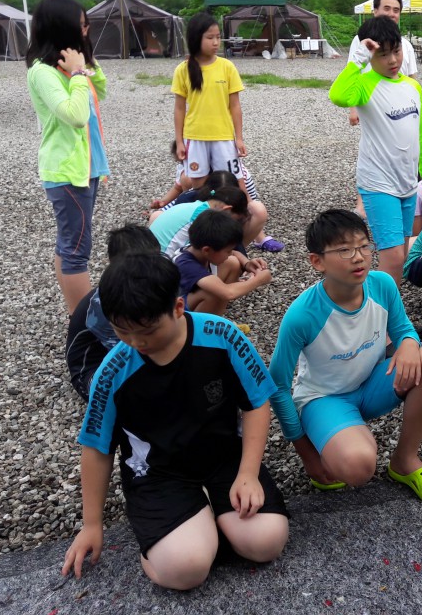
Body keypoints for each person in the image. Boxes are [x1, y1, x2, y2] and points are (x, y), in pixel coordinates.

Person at [61, 252, 289, 590]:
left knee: (266, 543)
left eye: (148, 331)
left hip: (223, 458)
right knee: (186, 570)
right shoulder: (113, 370)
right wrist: (91, 524)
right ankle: (186, 532)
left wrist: (248, 474)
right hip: (158, 473)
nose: (137, 343)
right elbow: (97, 446)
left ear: (179, 307)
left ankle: (204, 519)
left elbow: (256, 403)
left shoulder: (223, 336)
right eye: (123, 331)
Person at [268, 210, 422, 505]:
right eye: (344, 250)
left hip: (371, 385)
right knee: (358, 467)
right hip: (324, 398)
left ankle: (405, 460)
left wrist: (408, 343)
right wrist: (307, 454)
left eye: (364, 246)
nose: (358, 257)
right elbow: (277, 385)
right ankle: (335, 435)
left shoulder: (382, 285)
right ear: (317, 261)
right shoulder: (302, 315)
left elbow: (404, 329)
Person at [329, 16, 422, 286]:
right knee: (392, 258)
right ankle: (379, 320)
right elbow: (338, 95)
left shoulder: (412, 87)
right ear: (370, 55)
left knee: (400, 253)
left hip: (408, 185)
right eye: (383, 54)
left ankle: (388, 315)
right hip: (378, 184)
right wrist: (358, 58)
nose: (392, 60)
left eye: (396, 51)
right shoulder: (365, 84)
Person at [27, 0, 110, 313]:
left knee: (70, 242)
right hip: (65, 171)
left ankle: (75, 312)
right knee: (77, 249)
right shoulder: (43, 72)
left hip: (85, 167)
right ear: (61, 28)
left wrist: (86, 63)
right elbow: (74, 116)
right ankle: (85, 324)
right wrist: (76, 75)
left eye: (87, 24)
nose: (85, 30)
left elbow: (99, 90)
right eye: (80, 26)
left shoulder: (68, 67)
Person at [65, 225, 160, 400]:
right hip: (94, 367)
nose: (148, 270)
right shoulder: (105, 302)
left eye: (153, 262)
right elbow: (127, 352)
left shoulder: (150, 280)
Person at [348, 0, 419, 217]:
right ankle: (364, 198)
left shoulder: (405, 45)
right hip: (371, 104)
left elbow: (412, 78)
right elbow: (352, 76)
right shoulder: (362, 42)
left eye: (396, 10)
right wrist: (353, 108)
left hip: (399, 106)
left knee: (403, 148)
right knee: (371, 150)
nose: (391, 13)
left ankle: (403, 193)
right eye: (386, 8)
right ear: (375, 10)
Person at [172, 13, 246, 191]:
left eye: (218, 37)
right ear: (196, 38)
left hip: (223, 136)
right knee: (199, 186)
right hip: (195, 136)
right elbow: (179, 109)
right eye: (210, 37)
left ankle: (238, 215)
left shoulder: (227, 67)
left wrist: (239, 138)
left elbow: (235, 106)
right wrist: (180, 141)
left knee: (232, 182)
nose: (215, 42)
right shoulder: (183, 69)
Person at [153, 168, 280, 253]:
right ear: (227, 209)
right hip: (165, 269)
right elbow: (200, 255)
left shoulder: (203, 207)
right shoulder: (205, 218)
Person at [175, 210, 272, 315]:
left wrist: (247, 264)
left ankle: (216, 315)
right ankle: (203, 328)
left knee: (232, 263)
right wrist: (259, 280)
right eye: (227, 251)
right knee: (214, 294)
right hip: (176, 314)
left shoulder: (201, 248)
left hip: (189, 298)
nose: (230, 253)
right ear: (206, 250)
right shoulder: (185, 264)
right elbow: (227, 293)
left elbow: (235, 253)